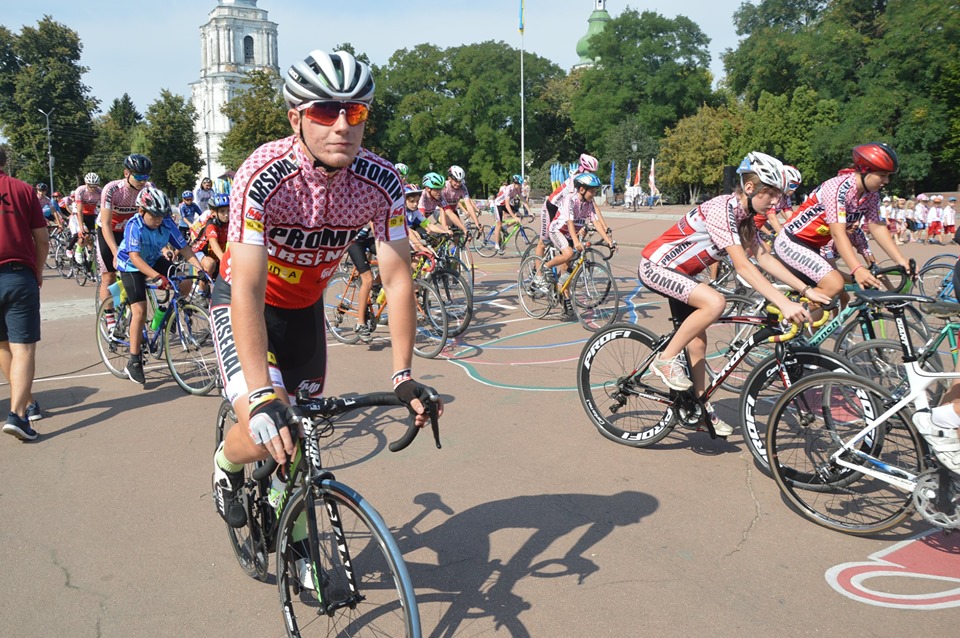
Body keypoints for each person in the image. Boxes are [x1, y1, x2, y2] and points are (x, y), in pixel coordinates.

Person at [211, 49, 443, 532]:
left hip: (304, 311)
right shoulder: (262, 175)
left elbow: (397, 279)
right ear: (296, 118)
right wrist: (261, 394)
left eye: (354, 112)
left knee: (302, 431)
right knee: (267, 429)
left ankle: (292, 527)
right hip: (246, 304)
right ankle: (226, 465)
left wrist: (403, 374)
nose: (341, 126)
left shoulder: (381, 181)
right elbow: (247, 288)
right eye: (324, 111)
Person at [637, 152, 823, 436]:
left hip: (682, 274)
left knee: (698, 341)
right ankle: (665, 360)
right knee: (716, 303)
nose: (776, 202)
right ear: (750, 188)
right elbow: (743, 266)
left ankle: (699, 408)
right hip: (657, 266)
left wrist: (806, 289)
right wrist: (783, 303)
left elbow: (764, 257)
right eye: (771, 194)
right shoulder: (722, 208)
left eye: (779, 195)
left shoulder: (745, 216)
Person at [773, 142, 912, 299]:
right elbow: (838, 234)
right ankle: (787, 310)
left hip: (814, 247)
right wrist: (856, 268)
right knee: (835, 285)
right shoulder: (838, 188)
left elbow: (877, 226)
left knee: (836, 299)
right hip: (793, 241)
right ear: (864, 170)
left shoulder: (872, 194)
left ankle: (801, 311)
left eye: (888, 176)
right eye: (882, 175)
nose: (886, 181)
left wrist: (900, 260)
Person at [114, 186, 205, 385]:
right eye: (154, 216)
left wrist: (201, 270)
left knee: (185, 281)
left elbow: (185, 249)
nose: (158, 221)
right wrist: (157, 277)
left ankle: (166, 316)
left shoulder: (166, 223)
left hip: (153, 259)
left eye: (161, 216)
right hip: (131, 265)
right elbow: (135, 258)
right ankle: (134, 361)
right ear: (141, 211)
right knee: (139, 311)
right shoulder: (134, 225)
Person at [0, 148, 49, 440]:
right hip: (17, 275)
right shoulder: (22, 189)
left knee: (2, 345)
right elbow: (42, 239)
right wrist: (38, 271)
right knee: (23, 348)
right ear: (4, 162)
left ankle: (25, 403)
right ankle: (19, 413)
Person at [533, 172, 614, 320]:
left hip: (571, 235)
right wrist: (576, 242)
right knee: (569, 253)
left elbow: (596, 222)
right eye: (592, 191)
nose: (594, 194)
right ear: (582, 189)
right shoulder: (571, 199)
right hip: (558, 230)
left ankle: (563, 298)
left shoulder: (588, 204)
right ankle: (545, 267)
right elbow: (570, 223)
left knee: (567, 270)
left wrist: (609, 241)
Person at [98, 154, 153, 332]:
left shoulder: (149, 188)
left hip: (130, 232)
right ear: (126, 173)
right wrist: (115, 252)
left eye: (146, 176)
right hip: (110, 231)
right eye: (138, 176)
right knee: (109, 276)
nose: (142, 181)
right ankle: (110, 317)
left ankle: (128, 300)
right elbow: (106, 224)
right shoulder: (112, 189)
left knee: (138, 272)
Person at [192, 192, 230, 281]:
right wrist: (224, 259)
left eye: (228, 210)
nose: (226, 215)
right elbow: (213, 243)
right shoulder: (211, 224)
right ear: (213, 212)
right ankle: (201, 288)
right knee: (210, 264)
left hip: (213, 254)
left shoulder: (229, 223)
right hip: (199, 251)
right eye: (222, 211)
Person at [441, 165, 482, 233]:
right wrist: (444, 225)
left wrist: (477, 223)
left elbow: (469, 205)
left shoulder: (463, 188)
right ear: (449, 179)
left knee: (458, 234)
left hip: (453, 211)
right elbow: (442, 208)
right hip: (441, 211)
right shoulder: (444, 187)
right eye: (456, 181)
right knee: (450, 224)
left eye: (460, 181)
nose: (458, 184)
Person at [71, 172, 102, 263]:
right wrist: (81, 228)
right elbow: (80, 210)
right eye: (90, 186)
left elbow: (103, 209)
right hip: (80, 214)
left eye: (95, 186)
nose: (93, 188)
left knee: (91, 239)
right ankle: (78, 251)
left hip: (91, 214)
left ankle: (90, 256)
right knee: (86, 234)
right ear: (86, 183)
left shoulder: (100, 192)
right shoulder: (80, 190)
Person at [491, 175, 524, 255]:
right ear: (514, 183)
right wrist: (514, 217)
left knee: (520, 216)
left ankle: (505, 227)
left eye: (520, 184)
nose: (520, 186)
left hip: (505, 204)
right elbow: (507, 205)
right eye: (518, 184)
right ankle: (497, 246)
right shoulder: (508, 189)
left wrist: (530, 212)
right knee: (499, 223)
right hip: (498, 204)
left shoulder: (518, 189)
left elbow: (523, 199)